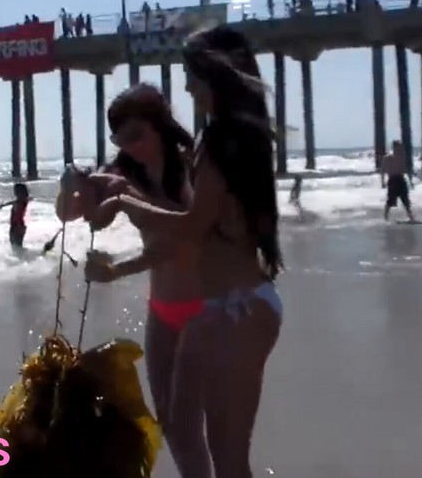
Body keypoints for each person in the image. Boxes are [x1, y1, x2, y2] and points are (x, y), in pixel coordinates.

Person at [75, 25, 283, 478]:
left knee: (225, 456)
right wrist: (83, 191)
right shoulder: (235, 138)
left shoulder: (217, 144)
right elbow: (203, 228)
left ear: (215, 75)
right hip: (228, 306)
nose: (187, 88)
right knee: (196, 436)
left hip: (238, 306)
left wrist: (125, 201)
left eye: (192, 76)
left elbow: (191, 227)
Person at [56, 83, 209, 475]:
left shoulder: (190, 166)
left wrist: (129, 204)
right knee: (170, 424)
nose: (130, 147)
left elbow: (187, 235)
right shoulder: (124, 172)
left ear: (160, 125)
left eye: (137, 135)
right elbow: (70, 214)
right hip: (163, 310)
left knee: (191, 424)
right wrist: (70, 187)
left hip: (207, 310)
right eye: (120, 139)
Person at [381, 140, 416, 222]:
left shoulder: (402, 157)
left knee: (406, 200)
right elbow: (383, 170)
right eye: (399, 147)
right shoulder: (387, 158)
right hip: (393, 180)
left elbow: (406, 169)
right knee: (390, 201)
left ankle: (411, 218)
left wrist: (410, 181)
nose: (401, 149)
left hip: (401, 179)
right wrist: (382, 181)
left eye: (401, 148)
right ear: (394, 148)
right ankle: (385, 218)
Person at [0, 183, 31, 248]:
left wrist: (18, 226)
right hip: (16, 225)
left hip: (18, 225)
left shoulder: (22, 202)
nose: (15, 193)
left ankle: (21, 254)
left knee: (16, 245)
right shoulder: (19, 201)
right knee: (16, 245)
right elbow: (13, 202)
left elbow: (18, 214)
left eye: (16, 191)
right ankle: (21, 254)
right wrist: (4, 205)